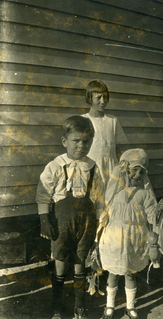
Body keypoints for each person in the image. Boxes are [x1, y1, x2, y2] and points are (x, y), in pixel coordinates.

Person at [36, 116, 103, 319]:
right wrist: (44, 220)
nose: (81, 146)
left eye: (86, 141)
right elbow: (43, 194)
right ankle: (57, 307)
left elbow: (99, 199)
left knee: (80, 262)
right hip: (62, 223)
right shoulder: (55, 166)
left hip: (86, 222)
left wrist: (99, 225)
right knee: (61, 263)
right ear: (65, 141)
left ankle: (79, 307)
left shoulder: (93, 167)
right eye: (76, 141)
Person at [98, 149, 163, 319]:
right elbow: (105, 211)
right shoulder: (114, 192)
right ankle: (110, 306)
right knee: (113, 273)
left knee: (130, 272)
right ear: (124, 170)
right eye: (133, 170)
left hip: (134, 239)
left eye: (141, 172)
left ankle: (130, 306)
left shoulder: (144, 195)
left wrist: (159, 209)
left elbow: (151, 217)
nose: (137, 174)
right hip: (115, 238)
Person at [82, 80, 128, 197]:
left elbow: (119, 148)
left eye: (105, 97)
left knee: (112, 198)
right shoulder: (83, 120)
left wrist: (122, 168)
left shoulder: (112, 120)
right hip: (92, 167)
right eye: (98, 98)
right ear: (89, 98)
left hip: (112, 169)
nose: (103, 101)